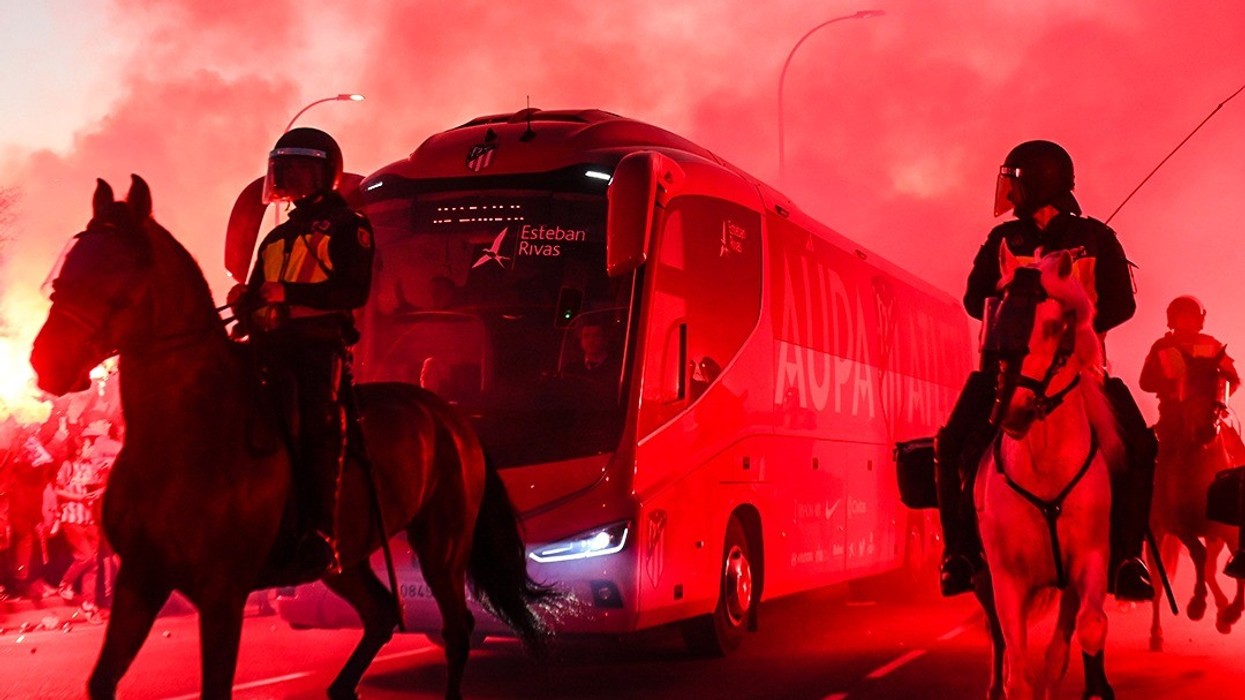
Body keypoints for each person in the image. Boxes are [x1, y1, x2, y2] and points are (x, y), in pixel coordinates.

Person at [935, 139, 1157, 601]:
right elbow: (975, 299)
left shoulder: (1098, 238)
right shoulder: (1002, 241)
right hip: (1008, 371)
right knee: (952, 442)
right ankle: (958, 555)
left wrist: (1078, 325)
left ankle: (1128, 559)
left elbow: (1124, 304)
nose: (1010, 194)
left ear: (1039, 184)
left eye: (1015, 183)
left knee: (1141, 446)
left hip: (1084, 370)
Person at [228, 127, 374, 573]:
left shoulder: (351, 225)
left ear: (324, 174)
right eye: (283, 170)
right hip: (269, 346)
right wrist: (244, 302)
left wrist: (285, 294)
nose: (288, 177)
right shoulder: (274, 239)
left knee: (318, 424)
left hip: (316, 347)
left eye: (298, 169)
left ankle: (320, 533)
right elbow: (258, 293)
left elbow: (354, 290)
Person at [1140, 297, 1245, 578]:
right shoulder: (1162, 347)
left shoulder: (1212, 344)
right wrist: (1170, 381)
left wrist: (1215, 399)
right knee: (1149, 457)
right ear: (1172, 320)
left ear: (1199, 319)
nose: (1186, 321)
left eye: (1190, 316)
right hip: (1174, 417)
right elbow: (1145, 382)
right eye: (1181, 316)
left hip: (1210, 417)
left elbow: (1233, 379)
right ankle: (1151, 512)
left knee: (1239, 454)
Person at [53, 425, 109, 621]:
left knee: (93, 564)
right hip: (72, 518)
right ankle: (65, 584)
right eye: (89, 446)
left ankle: (88, 604)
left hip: (90, 520)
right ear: (80, 447)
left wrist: (99, 491)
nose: (93, 449)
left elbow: (102, 488)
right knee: (85, 557)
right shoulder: (68, 466)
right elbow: (57, 491)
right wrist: (78, 499)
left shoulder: (93, 467)